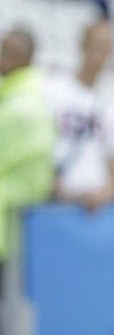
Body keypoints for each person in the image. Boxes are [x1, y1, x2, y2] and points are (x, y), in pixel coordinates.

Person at [44, 20, 114, 211]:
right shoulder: (50, 90)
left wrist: (103, 194)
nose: (98, 52)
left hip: (93, 207)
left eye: (105, 46)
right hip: (49, 200)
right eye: (94, 44)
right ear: (82, 45)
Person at [0, 29, 55, 270]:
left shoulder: (22, 106)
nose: (2, 57)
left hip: (10, 223)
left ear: (28, 57)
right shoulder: (21, 97)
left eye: (9, 51)